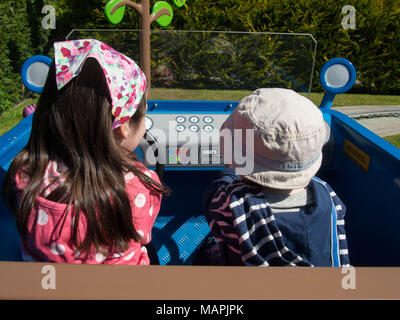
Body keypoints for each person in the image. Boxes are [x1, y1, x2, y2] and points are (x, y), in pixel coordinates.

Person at [1, 39, 169, 265]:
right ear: (124, 127)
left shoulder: (25, 175)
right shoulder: (141, 187)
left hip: (46, 289)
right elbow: (142, 234)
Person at [202, 88, 350, 267]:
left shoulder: (234, 204)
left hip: (246, 289)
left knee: (208, 249)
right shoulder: (328, 196)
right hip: (312, 289)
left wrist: (231, 167)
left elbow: (211, 197)